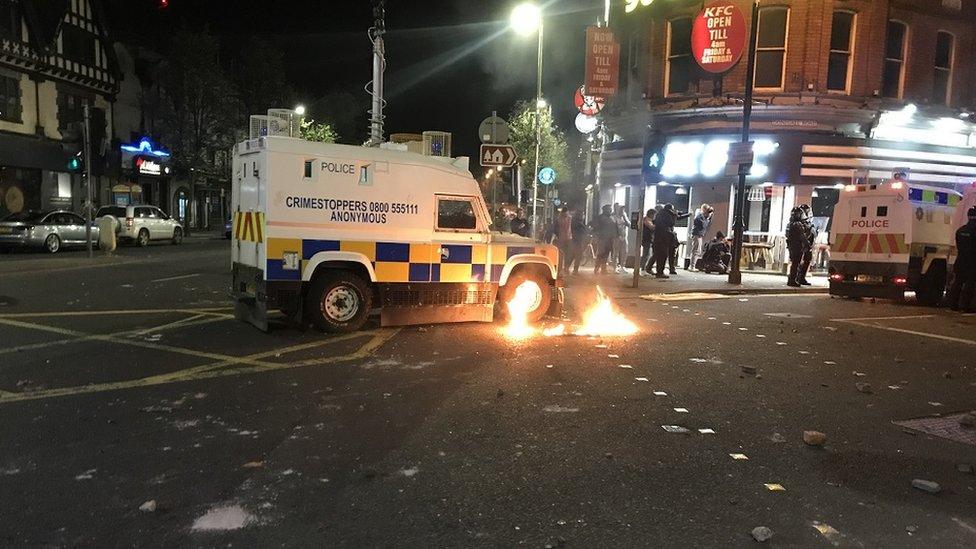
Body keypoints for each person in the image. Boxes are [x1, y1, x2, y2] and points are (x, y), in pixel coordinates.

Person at [947, 207, 976, 312]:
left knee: (958, 282)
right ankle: (965, 306)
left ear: (968, 216)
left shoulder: (960, 230)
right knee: (970, 284)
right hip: (972, 262)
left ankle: (953, 304)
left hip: (960, 260)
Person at [651, 204, 689, 279]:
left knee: (659, 256)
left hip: (657, 237)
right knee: (663, 255)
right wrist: (674, 215)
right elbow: (672, 223)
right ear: (670, 209)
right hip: (664, 238)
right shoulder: (668, 215)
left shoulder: (659, 214)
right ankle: (660, 272)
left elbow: (654, 222)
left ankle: (659, 272)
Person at [590, 204, 619, 275]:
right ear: (605, 210)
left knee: (606, 254)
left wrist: (616, 236)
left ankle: (603, 269)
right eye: (609, 209)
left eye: (610, 209)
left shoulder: (612, 218)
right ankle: (596, 269)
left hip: (610, 239)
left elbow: (615, 227)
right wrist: (596, 235)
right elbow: (594, 226)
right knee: (600, 254)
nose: (610, 210)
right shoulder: (600, 218)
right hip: (602, 239)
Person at [786, 206, 807, 287]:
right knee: (796, 264)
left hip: (792, 246)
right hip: (797, 246)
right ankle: (792, 280)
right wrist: (807, 244)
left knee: (794, 263)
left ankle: (791, 279)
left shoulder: (790, 224)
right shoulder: (798, 224)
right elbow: (802, 236)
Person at [688, 204, 713, 271]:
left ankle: (692, 266)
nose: (708, 213)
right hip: (697, 234)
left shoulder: (702, 216)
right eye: (707, 210)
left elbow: (707, 226)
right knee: (695, 251)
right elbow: (703, 225)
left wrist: (709, 218)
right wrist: (707, 218)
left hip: (699, 234)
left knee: (698, 251)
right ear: (704, 210)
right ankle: (691, 267)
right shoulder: (699, 216)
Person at [797, 204, 816, 285]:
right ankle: (800, 278)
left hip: (806, 244)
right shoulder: (802, 222)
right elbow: (804, 234)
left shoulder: (806, 221)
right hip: (804, 245)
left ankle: (800, 277)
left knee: (806, 261)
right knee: (803, 261)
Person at [553, 207, 573, 276]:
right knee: (561, 254)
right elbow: (555, 228)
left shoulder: (570, 218)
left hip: (568, 238)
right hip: (561, 239)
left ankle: (566, 268)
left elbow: (572, 227)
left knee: (568, 254)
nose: (565, 213)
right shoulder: (558, 219)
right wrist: (557, 235)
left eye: (566, 212)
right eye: (564, 212)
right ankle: (560, 269)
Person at [569, 208, 589, 275]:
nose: (583, 215)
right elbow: (583, 230)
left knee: (573, 255)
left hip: (577, 241)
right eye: (582, 214)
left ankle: (568, 268)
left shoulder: (576, 221)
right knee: (577, 256)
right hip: (576, 241)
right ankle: (574, 270)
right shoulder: (577, 222)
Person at [612, 204, 630, 273]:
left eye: (623, 209)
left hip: (624, 235)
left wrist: (625, 218)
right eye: (621, 209)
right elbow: (614, 227)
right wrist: (618, 235)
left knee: (625, 251)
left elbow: (629, 224)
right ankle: (614, 267)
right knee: (616, 252)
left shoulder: (624, 215)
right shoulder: (614, 216)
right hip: (616, 236)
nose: (622, 210)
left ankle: (622, 266)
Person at [640, 208, 655, 275]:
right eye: (654, 214)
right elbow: (651, 227)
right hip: (646, 239)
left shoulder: (648, 220)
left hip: (648, 239)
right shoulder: (646, 220)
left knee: (647, 254)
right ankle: (642, 269)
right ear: (651, 214)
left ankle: (643, 268)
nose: (654, 216)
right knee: (646, 254)